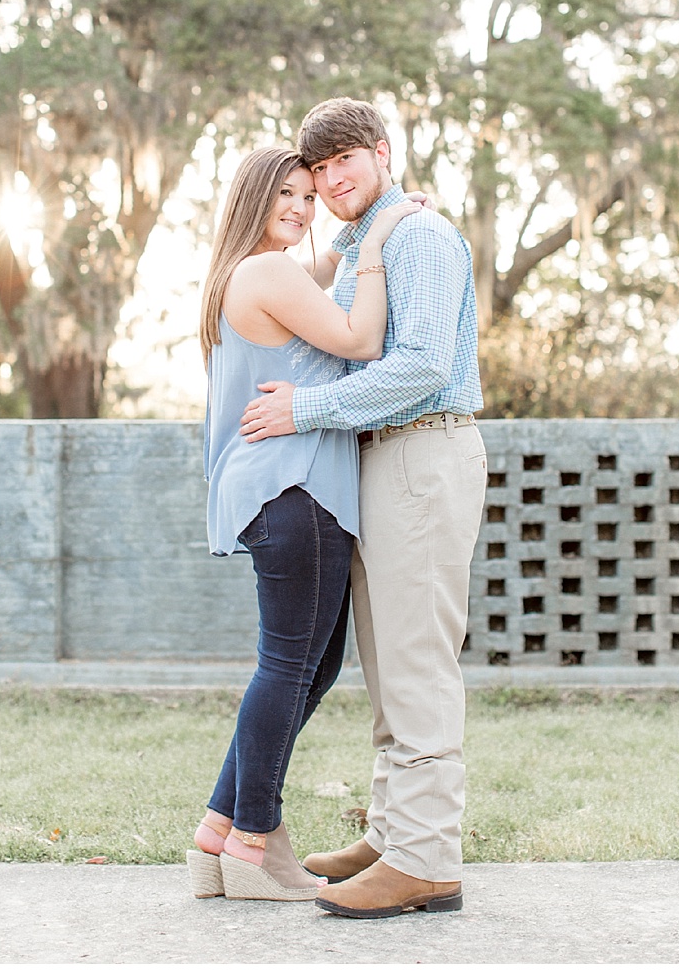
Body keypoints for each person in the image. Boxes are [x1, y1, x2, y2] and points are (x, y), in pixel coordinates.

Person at [239, 96, 486, 920]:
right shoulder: (362, 248)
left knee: (418, 658)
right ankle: (391, 833)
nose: (333, 179)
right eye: (320, 169)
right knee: (389, 658)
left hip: (422, 444)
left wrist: (303, 411)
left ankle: (426, 858)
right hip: (381, 458)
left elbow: (419, 366)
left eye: (347, 160)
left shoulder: (416, 234)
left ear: (382, 153)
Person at [187, 146, 419, 903]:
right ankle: (257, 843)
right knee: (289, 666)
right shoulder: (269, 272)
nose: (300, 206)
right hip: (297, 488)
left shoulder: (249, 275)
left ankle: (218, 835)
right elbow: (359, 340)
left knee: (304, 666)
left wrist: (358, 236)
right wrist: (381, 239)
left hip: (276, 492)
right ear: (251, 199)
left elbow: (329, 283)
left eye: (308, 194)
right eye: (284, 193)